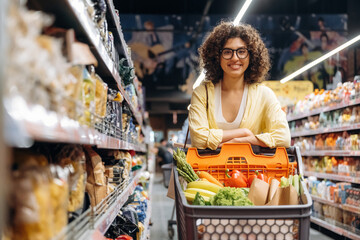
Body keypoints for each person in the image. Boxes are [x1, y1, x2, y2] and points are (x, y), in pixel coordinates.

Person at [189, 21, 291, 150]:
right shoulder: (202, 93)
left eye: (241, 51)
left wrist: (248, 140)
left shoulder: (264, 95)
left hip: (251, 169)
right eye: (227, 52)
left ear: (251, 56)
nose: (235, 58)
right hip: (209, 169)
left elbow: (284, 137)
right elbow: (198, 139)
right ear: (216, 56)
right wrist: (243, 133)